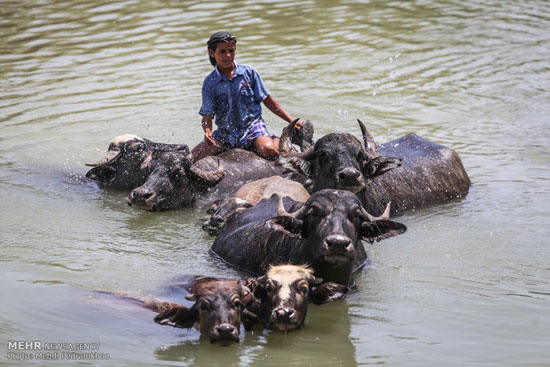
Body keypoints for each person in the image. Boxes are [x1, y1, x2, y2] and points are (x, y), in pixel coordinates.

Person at [191, 31, 301, 162]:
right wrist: (207, 131)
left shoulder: (249, 73)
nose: (228, 55)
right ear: (212, 53)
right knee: (192, 158)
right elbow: (207, 114)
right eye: (222, 51)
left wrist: (290, 121)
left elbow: (268, 101)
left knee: (270, 151)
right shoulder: (210, 82)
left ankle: (276, 138)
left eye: (231, 51)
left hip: (252, 127)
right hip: (226, 133)